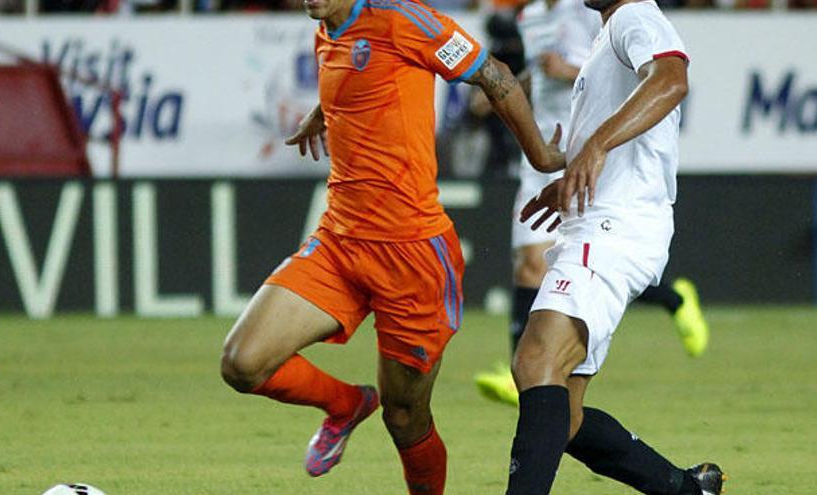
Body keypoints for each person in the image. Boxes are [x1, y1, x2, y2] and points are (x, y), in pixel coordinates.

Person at [219, 0, 561, 493]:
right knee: (241, 362)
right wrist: (325, 112)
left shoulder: (405, 20)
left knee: (404, 416)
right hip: (339, 242)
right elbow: (362, 74)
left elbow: (495, 74)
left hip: (413, 255)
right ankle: (344, 404)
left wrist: (541, 154)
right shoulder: (326, 30)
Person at [503, 1, 726, 494]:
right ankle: (688, 490)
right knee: (567, 415)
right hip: (598, 225)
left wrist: (596, 145)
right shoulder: (606, 36)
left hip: (615, 228)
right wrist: (568, 183)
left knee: (535, 360)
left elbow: (671, 79)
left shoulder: (634, 17)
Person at [474, 0, 710, 407]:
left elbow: (626, 72)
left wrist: (570, 86)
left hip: (591, 148)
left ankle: (671, 298)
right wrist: (513, 89)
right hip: (547, 149)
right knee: (530, 264)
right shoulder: (530, 18)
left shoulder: (595, 12)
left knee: (573, 262)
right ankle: (531, 371)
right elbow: (551, 74)